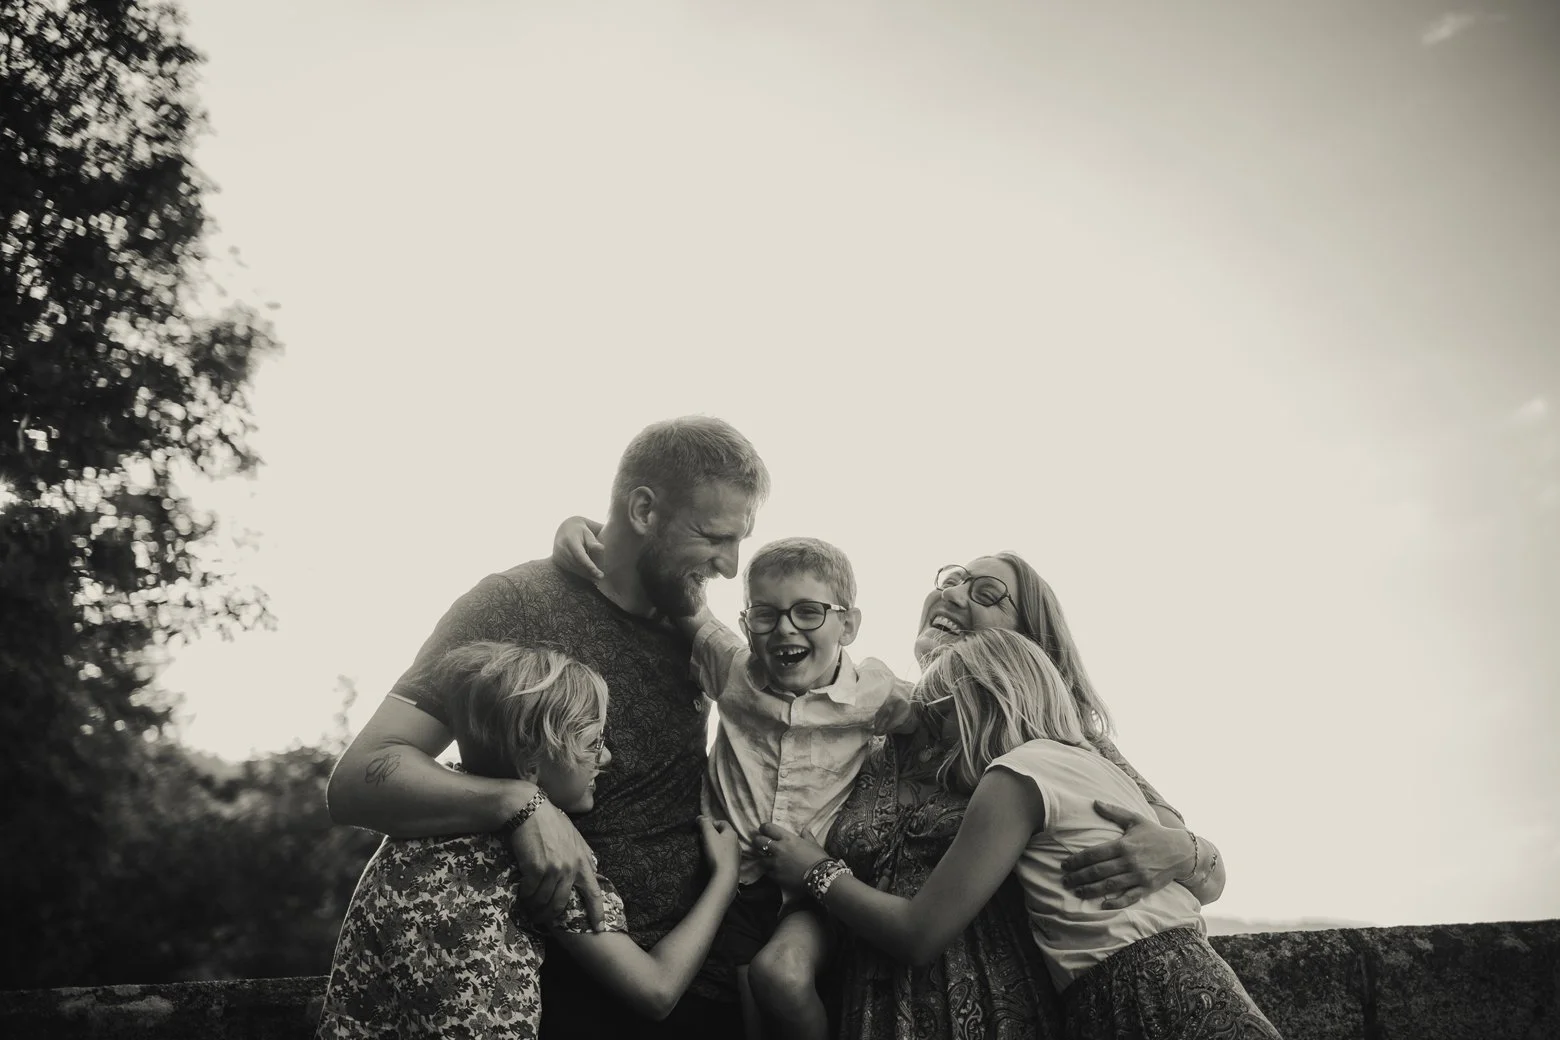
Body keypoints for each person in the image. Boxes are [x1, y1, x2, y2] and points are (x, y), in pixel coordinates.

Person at [325, 415, 770, 1038]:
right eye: (712, 536)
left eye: (740, 539)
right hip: (557, 994)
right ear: (643, 509)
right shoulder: (513, 603)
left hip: (703, 983)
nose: (729, 565)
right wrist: (518, 802)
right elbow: (361, 780)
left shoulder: (691, 624)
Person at [759, 627, 1280, 1040]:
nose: (939, 746)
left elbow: (919, 934)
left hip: (1134, 995)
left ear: (980, 704)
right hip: (1197, 975)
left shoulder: (1012, 779)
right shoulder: (1087, 762)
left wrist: (817, 873)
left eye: (942, 723)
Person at [816, 554, 1227, 1039]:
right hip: (866, 1008)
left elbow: (1204, 876)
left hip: (1008, 1012)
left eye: (987, 594)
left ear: (1030, 644)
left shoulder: (1061, 740)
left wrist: (1188, 849)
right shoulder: (873, 733)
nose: (952, 594)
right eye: (951, 581)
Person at [552, 524, 915, 1040]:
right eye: (765, 614)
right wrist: (591, 531)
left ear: (849, 625)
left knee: (784, 978)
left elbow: (971, 717)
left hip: (819, 885)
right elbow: (682, 593)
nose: (785, 629)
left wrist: (918, 713)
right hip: (740, 883)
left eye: (808, 611)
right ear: (746, 625)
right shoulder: (732, 669)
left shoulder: (879, 692)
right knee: (751, 1016)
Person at [317, 643, 742, 1038]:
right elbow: (656, 991)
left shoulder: (419, 820)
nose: (608, 758)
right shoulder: (546, 849)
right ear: (531, 765)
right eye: (594, 744)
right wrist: (724, 877)